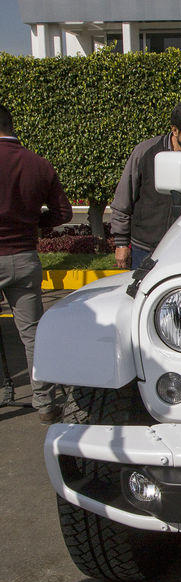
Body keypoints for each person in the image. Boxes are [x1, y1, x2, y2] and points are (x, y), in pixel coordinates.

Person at [0, 104, 72, 421]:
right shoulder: (39, 165)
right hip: (24, 257)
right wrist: (34, 221)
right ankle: (44, 402)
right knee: (32, 335)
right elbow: (63, 214)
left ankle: (5, 391)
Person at [111, 99, 181, 269]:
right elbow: (123, 198)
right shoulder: (145, 152)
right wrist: (121, 243)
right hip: (145, 248)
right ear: (174, 130)